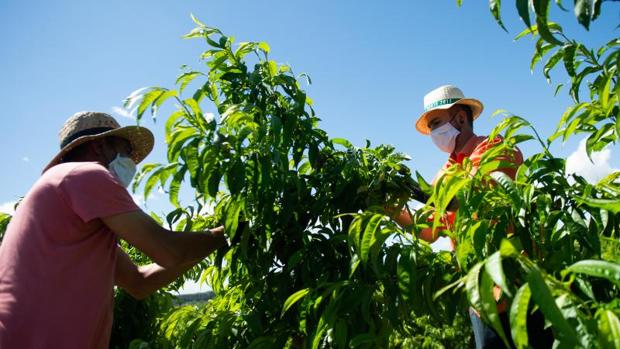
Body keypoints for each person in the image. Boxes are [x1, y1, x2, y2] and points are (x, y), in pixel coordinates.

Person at [0, 111, 229, 348]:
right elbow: (168, 250)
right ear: (100, 146)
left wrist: (209, 244)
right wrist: (227, 233)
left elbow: (139, 282)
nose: (130, 161)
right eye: (127, 151)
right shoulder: (86, 174)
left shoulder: (68, 198)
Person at [391, 85, 550, 348]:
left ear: (461, 118)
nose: (433, 133)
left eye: (435, 123)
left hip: (522, 287)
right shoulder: (443, 174)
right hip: (482, 299)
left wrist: (415, 189)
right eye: (431, 127)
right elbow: (429, 231)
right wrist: (391, 210)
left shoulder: (494, 148)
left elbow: (468, 196)